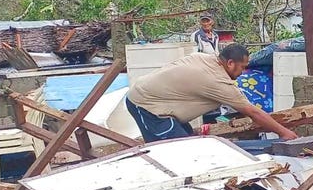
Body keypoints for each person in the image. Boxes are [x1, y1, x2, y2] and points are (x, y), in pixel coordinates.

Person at [126, 43, 298, 143]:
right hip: (145, 105)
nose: (243, 72)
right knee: (176, 152)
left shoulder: (204, 58)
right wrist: (284, 133)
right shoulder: (217, 81)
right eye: (243, 67)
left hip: (158, 101)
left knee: (188, 140)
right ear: (230, 63)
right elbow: (253, 112)